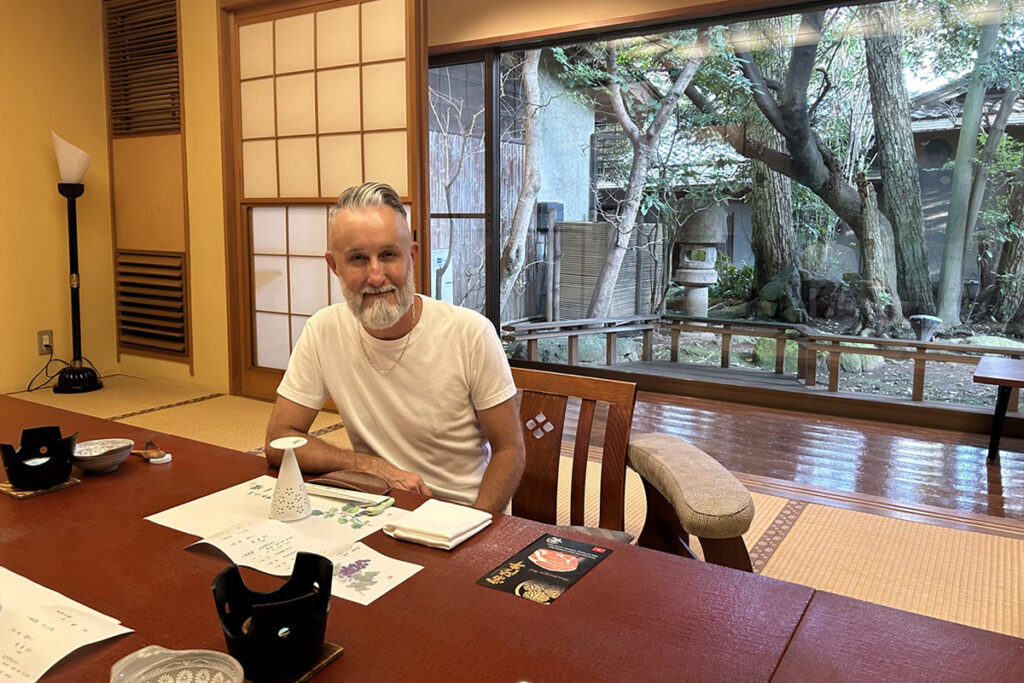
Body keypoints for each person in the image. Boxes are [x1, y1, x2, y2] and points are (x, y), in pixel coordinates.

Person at [264, 182, 525, 514]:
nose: (376, 276)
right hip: (376, 509)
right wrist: (370, 466)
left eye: (388, 255)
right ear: (334, 266)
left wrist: (473, 525)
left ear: (411, 257)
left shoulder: (470, 334)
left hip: (461, 513)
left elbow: (509, 450)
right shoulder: (324, 330)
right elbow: (279, 440)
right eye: (358, 259)